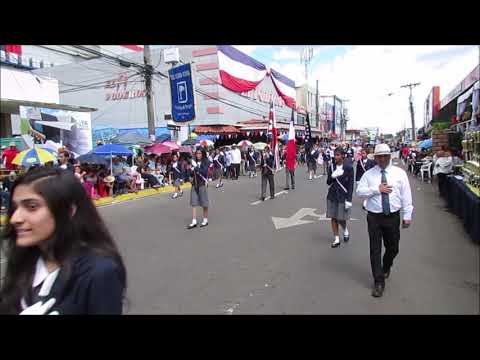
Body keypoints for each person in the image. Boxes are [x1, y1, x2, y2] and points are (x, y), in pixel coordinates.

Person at [0, 167, 126, 314]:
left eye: (32, 207)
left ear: (68, 211)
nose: (15, 219)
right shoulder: (24, 260)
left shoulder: (99, 272)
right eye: (15, 208)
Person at [356, 144, 414, 298]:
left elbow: (406, 194)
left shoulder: (399, 174)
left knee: (393, 248)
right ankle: (378, 281)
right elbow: (360, 192)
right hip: (374, 217)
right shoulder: (368, 175)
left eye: (384, 156)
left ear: (389, 157)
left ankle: (386, 266)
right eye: (378, 156)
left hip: (392, 216)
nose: (381, 159)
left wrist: (407, 215)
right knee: (375, 249)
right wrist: (377, 189)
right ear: (374, 158)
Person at [326, 147, 354, 248]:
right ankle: (336, 238)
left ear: (343, 155)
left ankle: (345, 229)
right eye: (335, 154)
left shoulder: (349, 167)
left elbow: (351, 185)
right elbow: (328, 182)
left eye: (337, 155)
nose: (335, 157)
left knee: (341, 218)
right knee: (333, 217)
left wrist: (349, 200)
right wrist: (332, 176)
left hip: (343, 195)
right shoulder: (332, 167)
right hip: (332, 195)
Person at [186, 149, 210, 229]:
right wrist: (190, 170)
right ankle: (194, 221)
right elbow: (190, 173)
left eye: (199, 153)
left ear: (203, 154)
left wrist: (195, 167)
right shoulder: (193, 162)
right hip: (194, 184)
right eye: (197, 153)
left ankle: (205, 219)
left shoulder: (206, 161)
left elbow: (204, 172)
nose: (198, 155)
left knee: (204, 202)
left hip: (202, 183)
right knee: (193, 202)